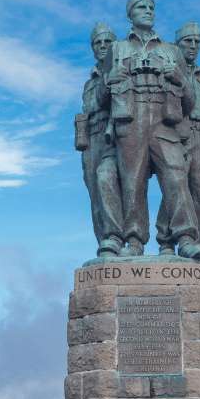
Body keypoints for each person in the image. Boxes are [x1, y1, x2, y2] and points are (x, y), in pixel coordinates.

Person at [102, 0, 200, 260]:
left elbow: (192, 99)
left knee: (175, 176)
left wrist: (180, 79)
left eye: (150, 7)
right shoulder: (117, 49)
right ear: (130, 13)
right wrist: (110, 79)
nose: (147, 11)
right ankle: (134, 241)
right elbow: (100, 100)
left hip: (164, 120)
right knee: (132, 182)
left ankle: (185, 238)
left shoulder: (171, 51)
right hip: (130, 118)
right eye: (141, 7)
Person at [156, 22, 200, 254]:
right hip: (178, 137)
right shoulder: (170, 73)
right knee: (176, 186)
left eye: (197, 42)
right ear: (177, 45)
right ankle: (166, 240)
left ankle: (197, 241)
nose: (193, 46)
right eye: (188, 41)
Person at [75, 22, 123, 257]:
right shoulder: (91, 80)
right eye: (98, 42)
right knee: (96, 196)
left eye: (107, 41)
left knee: (108, 180)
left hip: (115, 138)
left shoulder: (122, 70)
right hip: (91, 139)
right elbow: (91, 105)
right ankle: (106, 243)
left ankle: (118, 237)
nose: (103, 46)